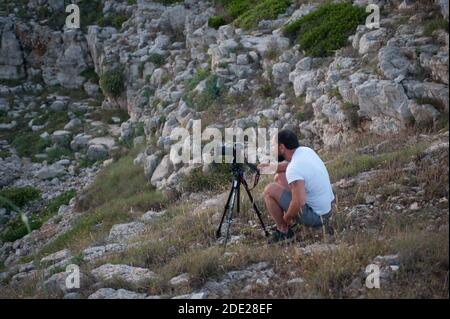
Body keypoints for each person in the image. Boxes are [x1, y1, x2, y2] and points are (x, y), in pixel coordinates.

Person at [259, 130, 335, 244]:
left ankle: (284, 230)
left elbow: (298, 202)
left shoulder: (294, 168)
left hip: (318, 216)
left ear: (282, 148)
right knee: (279, 176)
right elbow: (287, 166)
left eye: (274, 146)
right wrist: (269, 168)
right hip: (328, 207)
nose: (272, 150)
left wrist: (287, 218)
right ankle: (286, 224)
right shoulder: (305, 151)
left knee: (269, 190)